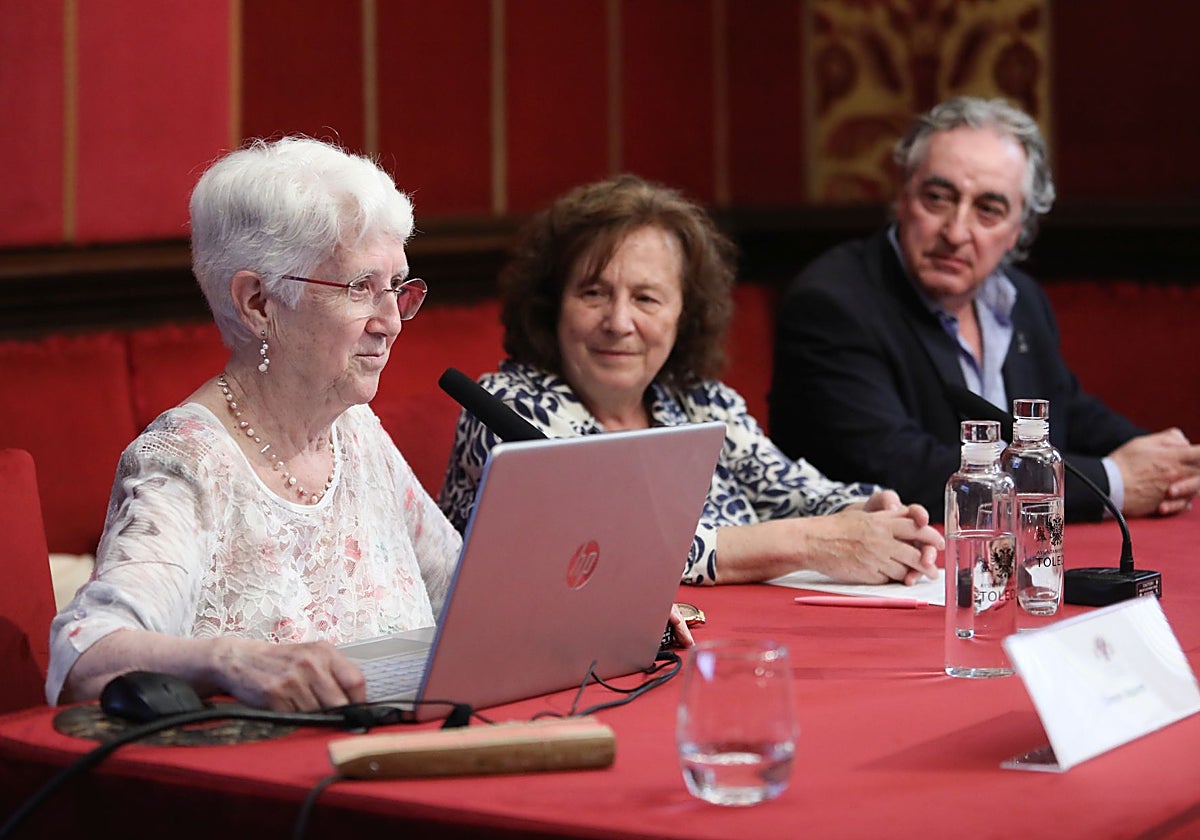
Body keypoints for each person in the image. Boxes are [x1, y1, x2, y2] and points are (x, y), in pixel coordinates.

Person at [46, 138, 692, 713]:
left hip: (407, 763)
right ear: (258, 302)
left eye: (398, 287)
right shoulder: (184, 460)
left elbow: (469, 601)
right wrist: (229, 659)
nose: (390, 318)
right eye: (360, 288)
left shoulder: (354, 432)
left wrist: (602, 611)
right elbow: (84, 656)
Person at [439, 175, 943, 586]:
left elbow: (795, 493)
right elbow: (616, 549)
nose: (618, 322)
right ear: (553, 307)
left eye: (646, 298)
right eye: (594, 293)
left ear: (684, 315)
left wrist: (873, 514)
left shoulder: (703, 403)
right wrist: (814, 543)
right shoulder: (506, 409)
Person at [770, 96, 1200, 523]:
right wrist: (1113, 482)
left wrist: (1167, 463)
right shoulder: (831, 304)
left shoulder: (1020, 298)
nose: (956, 232)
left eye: (988, 210)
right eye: (937, 198)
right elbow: (900, 468)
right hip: (887, 567)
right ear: (902, 197)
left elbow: (1066, 411)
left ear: (1018, 231)